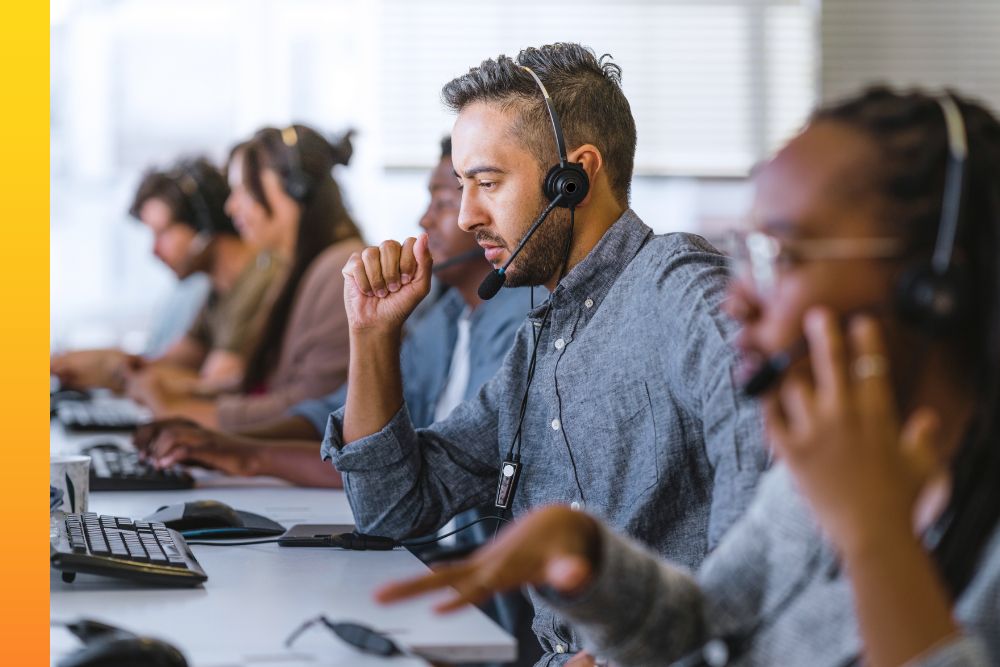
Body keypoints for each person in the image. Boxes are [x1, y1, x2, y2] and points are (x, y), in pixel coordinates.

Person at [377, 88, 1000, 667]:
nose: (738, 302)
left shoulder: (869, 490)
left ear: (935, 287)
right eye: (747, 253)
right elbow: (705, 623)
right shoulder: (818, 478)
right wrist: (591, 559)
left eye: (781, 255)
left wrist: (876, 541)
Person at [324, 43, 768, 663]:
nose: (469, 214)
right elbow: (394, 506)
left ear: (574, 177)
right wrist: (371, 335)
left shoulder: (679, 288)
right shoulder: (540, 341)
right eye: (461, 186)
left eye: (487, 182)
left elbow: (767, 491)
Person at [132, 137, 531, 488]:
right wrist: (234, 449)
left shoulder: (517, 324)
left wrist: (242, 453)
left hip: (442, 556)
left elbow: (418, 472)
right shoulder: (445, 317)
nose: (425, 219)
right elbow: (335, 415)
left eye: (443, 201)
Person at [127, 126, 365, 431]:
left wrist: (181, 410)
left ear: (295, 189)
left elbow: (311, 408)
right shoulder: (293, 269)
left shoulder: (340, 272)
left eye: (244, 190)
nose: (231, 207)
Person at [51, 157, 278, 395]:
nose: (154, 250)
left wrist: (121, 375)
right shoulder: (216, 292)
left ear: (204, 223)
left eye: (163, 233)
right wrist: (95, 364)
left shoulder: (259, 280)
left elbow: (213, 385)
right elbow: (164, 363)